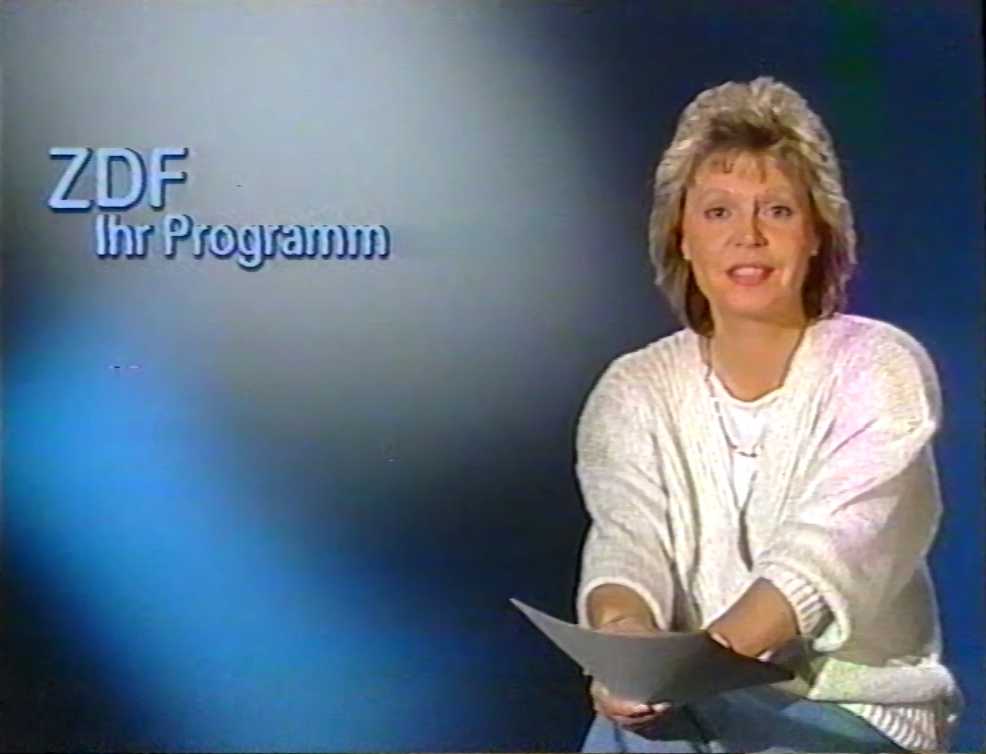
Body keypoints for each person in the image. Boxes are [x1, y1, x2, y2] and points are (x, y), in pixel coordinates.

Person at [574, 76, 963, 753]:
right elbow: (627, 544)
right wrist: (623, 649)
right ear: (682, 237)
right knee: (630, 733)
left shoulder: (879, 367)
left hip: (852, 713)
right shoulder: (632, 390)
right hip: (693, 710)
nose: (747, 237)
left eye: (777, 211)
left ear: (815, 234)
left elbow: (830, 554)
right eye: (718, 212)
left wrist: (692, 667)